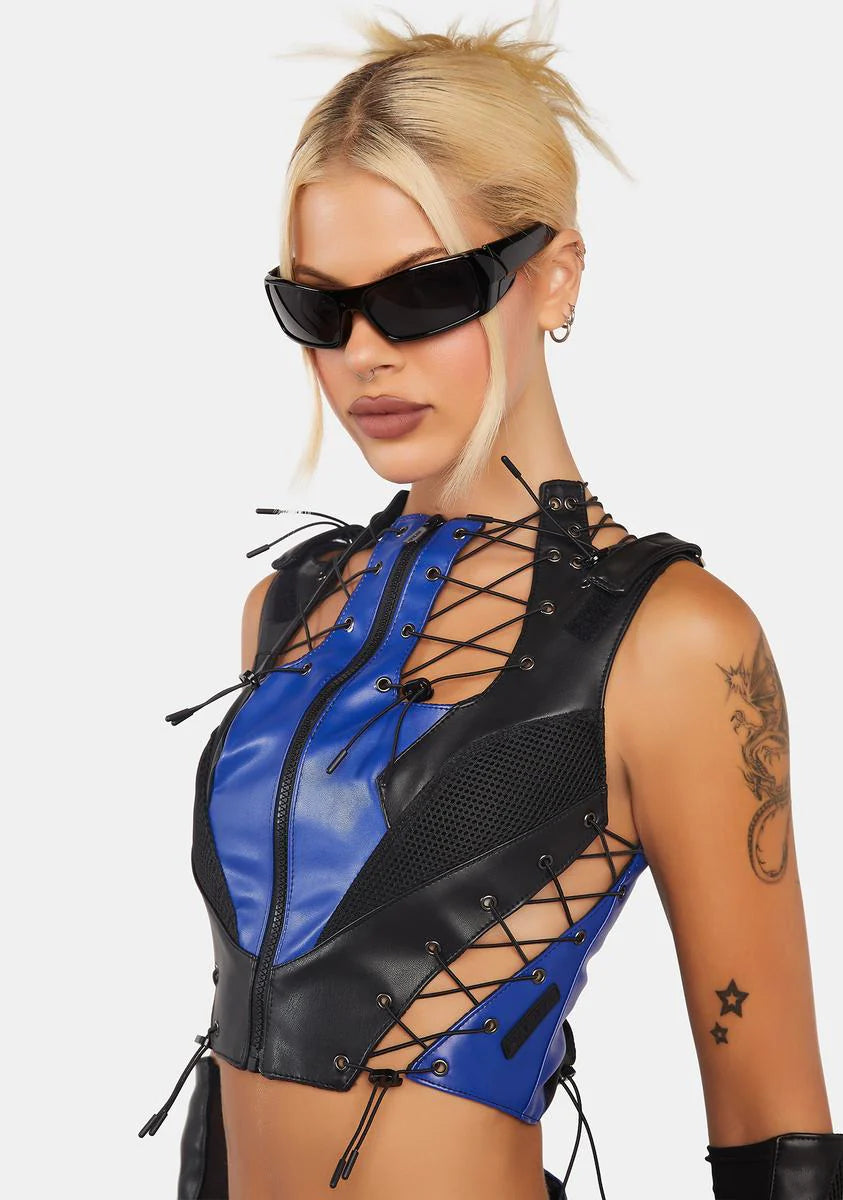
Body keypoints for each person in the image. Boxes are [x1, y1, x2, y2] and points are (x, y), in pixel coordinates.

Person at [139, 7, 842, 1198]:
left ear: (552, 275)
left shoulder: (673, 641)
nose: (366, 353)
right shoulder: (288, 609)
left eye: (423, 294)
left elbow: (776, 1128)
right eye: (321, 309)